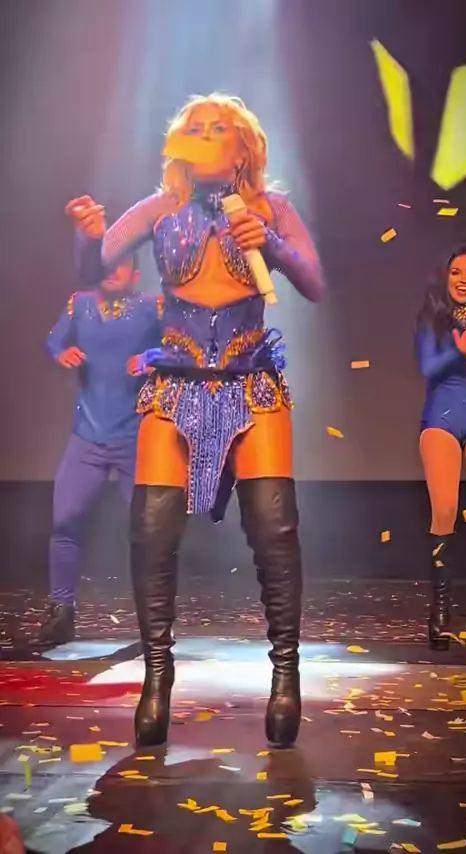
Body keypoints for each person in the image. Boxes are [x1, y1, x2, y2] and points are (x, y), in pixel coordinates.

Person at [66, 93, 324, 748]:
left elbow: (314, 282)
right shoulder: (160, 208)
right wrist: (89, 233)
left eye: (220, 128)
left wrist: (271, 243)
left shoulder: (272, 207)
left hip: (250, 382)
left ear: (243, 146)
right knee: (151, 530)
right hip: (176, 384)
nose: (207, 136)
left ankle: (286, 672)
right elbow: (96, 265)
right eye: (196, 128)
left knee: (273, 529)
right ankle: (157, 674)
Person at [40, 254, 163, 645]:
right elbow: (54, 340)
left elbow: (182, 348)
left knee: (148, 532)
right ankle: (61, 612)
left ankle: (153, 619)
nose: (112, 271)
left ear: (135, 274)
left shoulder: (152, 307)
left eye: (121, 264)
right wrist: (61, 353)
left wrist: (151, 358)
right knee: (64, 522)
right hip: (87, 437)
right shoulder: (79, 304)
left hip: (134, 437)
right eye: (107, 263)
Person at [415, 246, 466, 650]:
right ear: (446, 276)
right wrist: (462, 346)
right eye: (456, 271)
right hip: (442, 417)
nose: (463, 279)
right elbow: (427, 366)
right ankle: (440, 613)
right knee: (445, 510)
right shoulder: (432, 315)